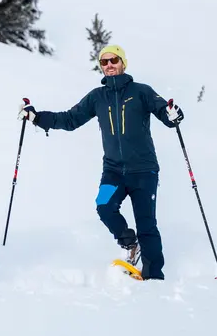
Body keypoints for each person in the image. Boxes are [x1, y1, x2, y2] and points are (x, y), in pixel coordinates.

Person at [17, 45, 183, 281]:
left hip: (144, 171)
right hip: (113, 171)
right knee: (104, 206)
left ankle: (154, 277)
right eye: (104, 62)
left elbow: (165, 112)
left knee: (147, 224)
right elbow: (70, 119)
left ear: (123, 63)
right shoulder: (97, 96)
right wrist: (37, 118)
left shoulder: (141, 92)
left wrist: (173, 114)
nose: (109, 65)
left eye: (113, 60)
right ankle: (130, 243)